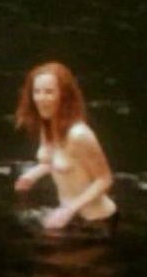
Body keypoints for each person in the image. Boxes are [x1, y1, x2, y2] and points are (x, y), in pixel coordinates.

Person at [13, 62, 117, 231]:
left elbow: (105, 179)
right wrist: (32, 175)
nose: (41, 98)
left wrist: (69, 209)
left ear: (64, 96)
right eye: (37, 91)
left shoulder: (79, 135)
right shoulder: (47, 126)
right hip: (70, 218)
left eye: (49, 92)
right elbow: (52, 161)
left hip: (98, 222)